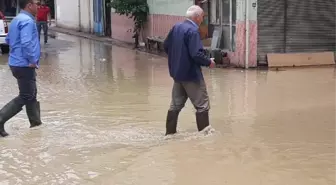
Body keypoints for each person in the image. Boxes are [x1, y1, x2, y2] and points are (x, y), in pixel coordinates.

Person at [163, 5, 216, 135]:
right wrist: (209, 62)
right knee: (202, 106)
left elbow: (165, 45)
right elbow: (196, 54)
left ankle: (169, 135)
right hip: (191, 75)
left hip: (177, 75)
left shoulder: (176, 27)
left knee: (175, 106)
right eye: (202, 17)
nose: (202, 20)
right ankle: (204, 137)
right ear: (197, 17)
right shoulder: (193, 31)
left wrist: (177, 60)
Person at [0, 0, 42, 137]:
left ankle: (36, 125)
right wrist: (31, 60)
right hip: (24, 64)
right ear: (29, 5)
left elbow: (8, 40)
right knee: (26, 95)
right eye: (36, 3)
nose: (38, 6)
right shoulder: (28, 21)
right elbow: (26, 42)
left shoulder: (17, 19)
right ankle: (0, 118)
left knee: (31, 94)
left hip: (16, 62)